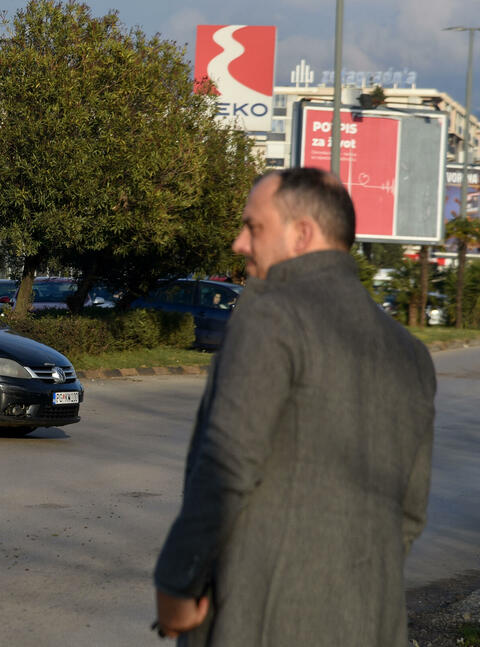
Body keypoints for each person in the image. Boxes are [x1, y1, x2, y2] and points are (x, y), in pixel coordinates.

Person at [152, 167, 436, 646]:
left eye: (254, 227)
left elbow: (226, 465)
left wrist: (176, 583)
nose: (240, 243)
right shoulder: (412, 354)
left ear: (303, 233)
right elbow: (408, 515)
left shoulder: (270, 314)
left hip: (260, 622)